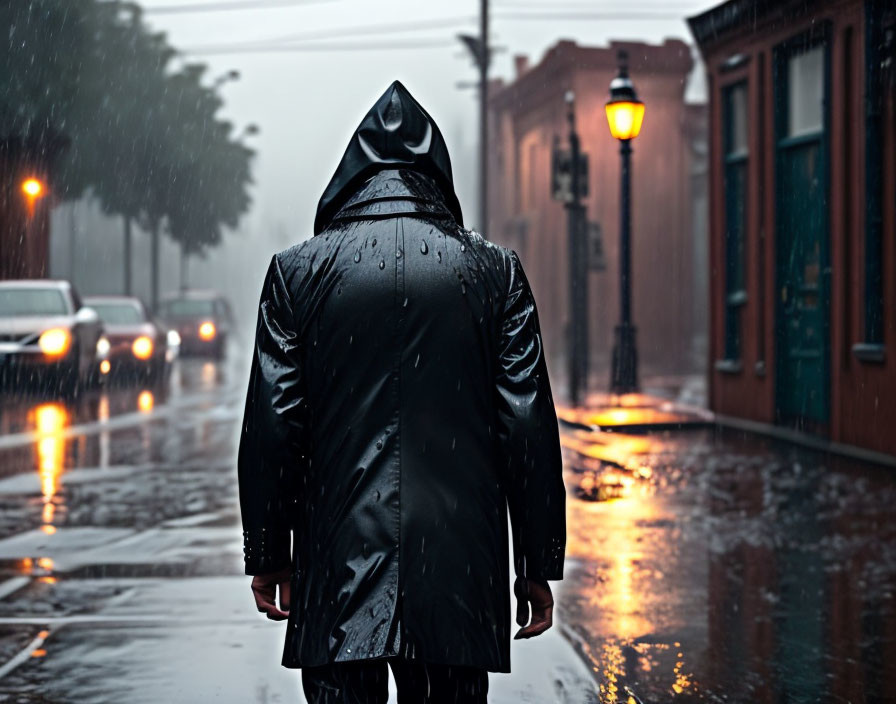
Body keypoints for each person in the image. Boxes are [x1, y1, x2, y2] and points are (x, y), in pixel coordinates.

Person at [238, 80, 566, 704]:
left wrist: (269, 551)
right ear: (436, 171)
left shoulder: (295, 273)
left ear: (350, 175)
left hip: (336, 565)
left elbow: (274, 429)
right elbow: (525, 425)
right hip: (457, 574)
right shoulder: (494, 273)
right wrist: (535, 562)